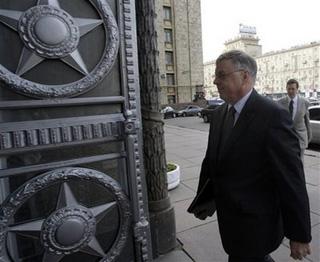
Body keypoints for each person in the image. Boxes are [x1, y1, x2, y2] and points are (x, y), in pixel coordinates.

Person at [188, 50, 311, 262]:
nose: (215, 81)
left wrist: (299, 235)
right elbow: (212, 162)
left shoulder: (272, 115)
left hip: (257, 222)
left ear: (245, 76)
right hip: (229, 219)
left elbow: (291, 179)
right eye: (216, 76)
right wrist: (204, 201)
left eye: (221, 75)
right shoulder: (219, 114)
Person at [277, 79, 312, 160]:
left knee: (300, 160)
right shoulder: (280, 102)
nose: (291, 91)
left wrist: (309, 136)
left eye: (293, 89)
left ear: (297, 89)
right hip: (285, 137)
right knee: (287, 160)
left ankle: (300, 173)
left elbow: (307, 120)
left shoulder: (304, 102)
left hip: (300, 137)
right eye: (289, 89)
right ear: (286, 89)